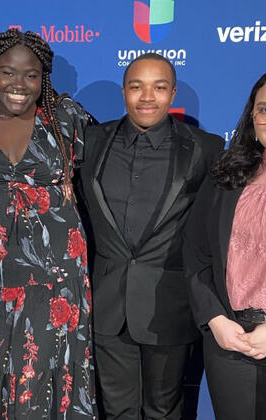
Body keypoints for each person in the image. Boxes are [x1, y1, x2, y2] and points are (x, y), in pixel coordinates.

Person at [0, 29, 95, 419]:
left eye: (31, 75)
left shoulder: (66, 120)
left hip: (57, 273)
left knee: (47, 363)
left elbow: (108, 173)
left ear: (43, 79)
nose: (19, 84)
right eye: (7, 73)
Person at [77, 53, 224, 420]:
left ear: (172, 93)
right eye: (136, 86)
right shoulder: (91, 141)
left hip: (169, 305)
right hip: (108, 304)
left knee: (164, 409)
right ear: (124, 91)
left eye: (159, 87)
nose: (147, 97)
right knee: (116, 410)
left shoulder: (205, 148)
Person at [184, 61, 266, 420]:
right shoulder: (227, 171)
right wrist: (216, 321)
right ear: (252, 115)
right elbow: (195, 254)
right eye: (265, 110)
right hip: (228, 343)